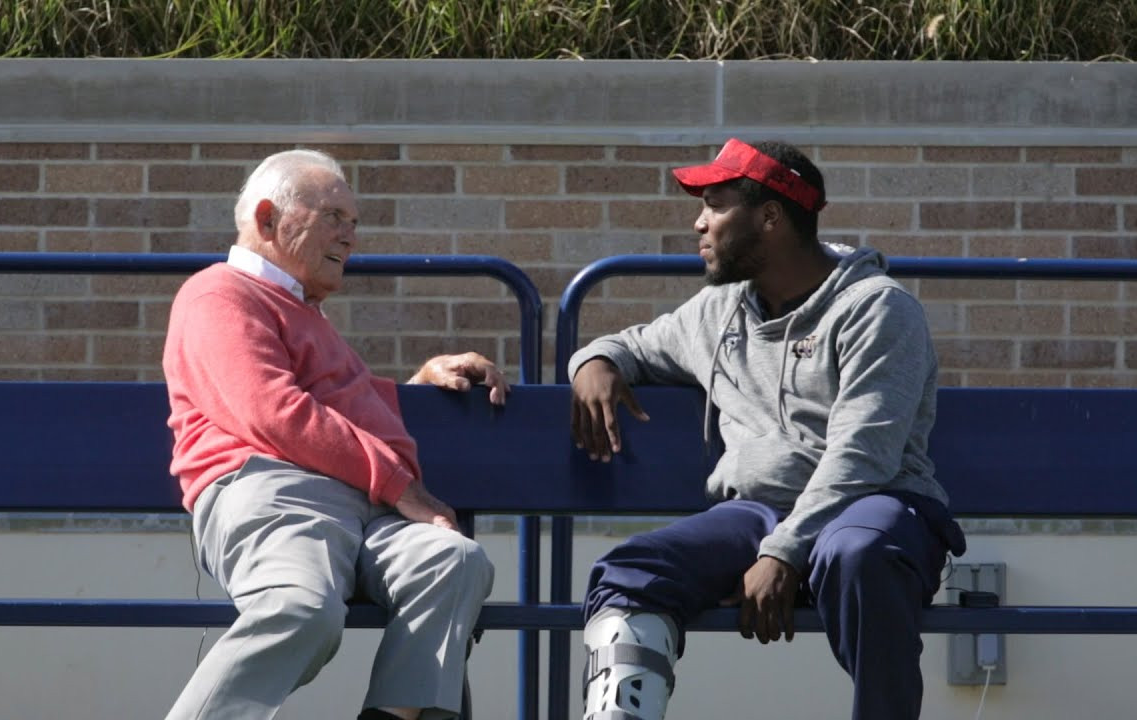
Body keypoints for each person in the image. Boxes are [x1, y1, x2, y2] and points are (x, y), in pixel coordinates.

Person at [568, 138, 966, 720]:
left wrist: (783, 554)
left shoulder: (876, 308)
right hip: (754, 517)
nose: (698, 222)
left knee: (861, 553)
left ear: (771, 217)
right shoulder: (718, 311)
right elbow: (631, 346)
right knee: (631, 572)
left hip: (872, 507)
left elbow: (863, 457)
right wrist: (594, 364)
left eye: (716, 205)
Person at [161, 149, 506, 720]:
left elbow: (337, 403)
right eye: (334, 217)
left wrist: (420, 383)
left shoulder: (304, 312)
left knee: (455, 561)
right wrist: (402, 488)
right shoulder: (218, 294)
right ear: (269, 221)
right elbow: (275, 412)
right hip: (272, 498)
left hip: (360, 509)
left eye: (354, 222)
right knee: (299, 607)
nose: (351, 236)